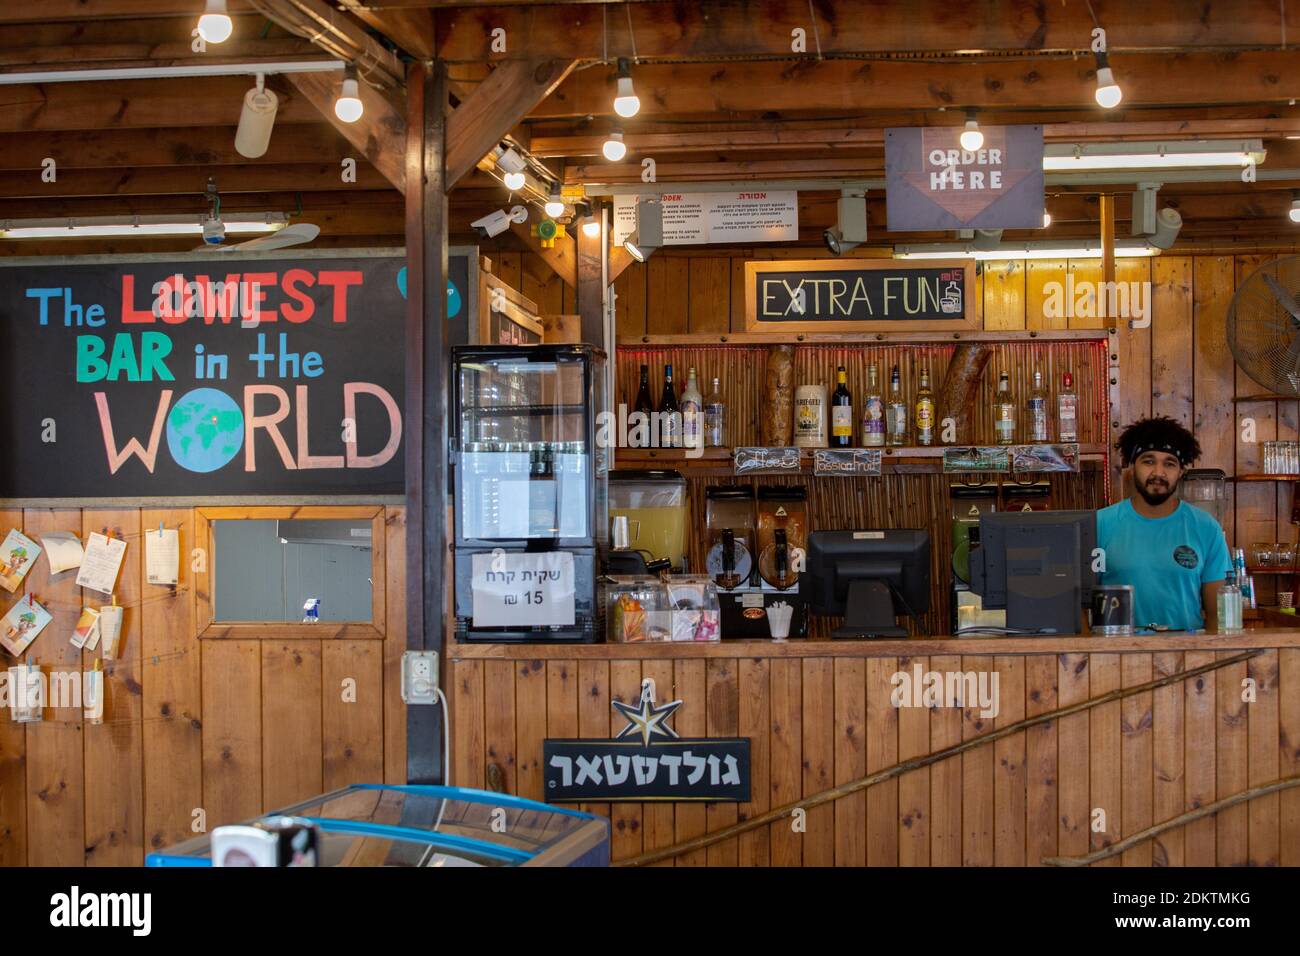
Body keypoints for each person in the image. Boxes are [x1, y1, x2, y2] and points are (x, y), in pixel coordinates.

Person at [1096, 416, 1231, 631]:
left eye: (1169, 463)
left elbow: (1218, 617)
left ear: (1180, 472)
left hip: (1188, 657)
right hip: (1115, 657)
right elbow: (1079, 607)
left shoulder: (1206, 528)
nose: (1158, 473)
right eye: (1148, 461)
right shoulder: (1099, 524)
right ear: (1132, 468)